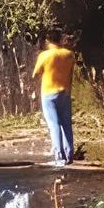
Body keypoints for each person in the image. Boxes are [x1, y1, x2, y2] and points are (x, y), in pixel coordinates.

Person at [32, 33, 77, 165]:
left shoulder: (44, 56)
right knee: (66, 124)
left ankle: (59, 157)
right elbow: (70, 74)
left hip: (49, 93)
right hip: (65, 92)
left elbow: (35, 74)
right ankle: (69, 156)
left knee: (54, 124)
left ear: (47, 41)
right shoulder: (69, 54)